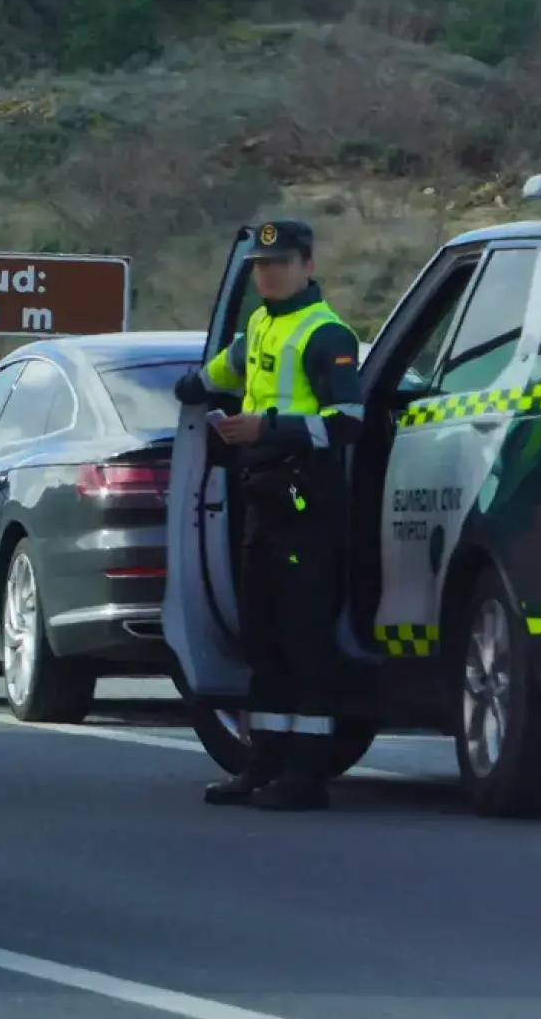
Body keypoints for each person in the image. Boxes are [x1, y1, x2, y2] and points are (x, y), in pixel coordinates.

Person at [173, 219, 364, 812]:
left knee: (304, 639)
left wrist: (266, 428)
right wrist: (195, 388)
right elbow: (214, 375)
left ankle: (306, 775)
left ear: (307, 265)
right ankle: (263, 764)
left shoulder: (327, 334)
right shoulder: (257, 325)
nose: (267, 273)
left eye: (279, 263)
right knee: (264, 640)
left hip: (308, 497)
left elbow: (347, 421)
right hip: (262, 497)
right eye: (260, 264)